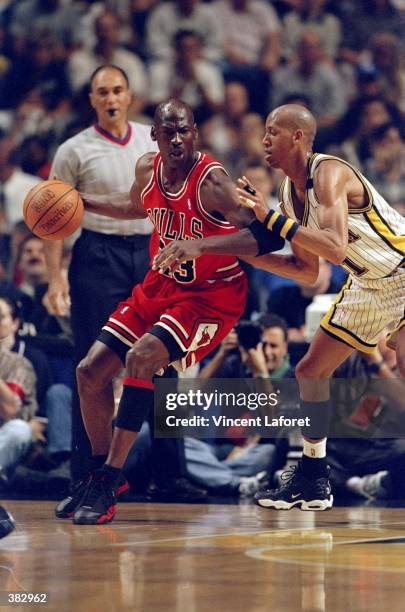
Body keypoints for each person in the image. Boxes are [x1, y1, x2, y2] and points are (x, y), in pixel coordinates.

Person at [156, 103, 405, 511]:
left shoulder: (330, 172)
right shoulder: (290, 194)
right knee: (310, 370)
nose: (265, 139)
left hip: (401, 267)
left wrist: (269, 218)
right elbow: (307, 272)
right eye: (265, 131)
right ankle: (313, 476)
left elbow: (336, 246)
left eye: (274, 132)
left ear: (298, 138)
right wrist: (245, 253)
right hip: (368, 284)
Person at [57, 97, 284, 525]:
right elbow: (134, 207)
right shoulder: (147, 169)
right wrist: (81, 201)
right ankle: (101, 475)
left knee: (141, 359)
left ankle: (108, 479)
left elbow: (267, 239)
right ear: (155, 137)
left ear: (195, 133)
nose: (177, 138)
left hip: (211, 297)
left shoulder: (213, 182)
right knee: (90, 371)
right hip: (162, 286)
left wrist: (201, 244)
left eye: (184, 130)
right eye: (169, 132)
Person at [43, 65, 155, 483]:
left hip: (150, 251)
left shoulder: (152, 139)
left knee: (165, 361)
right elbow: (49, 220)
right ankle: (88, 474)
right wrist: (55, 279)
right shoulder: (73, 149)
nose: (110, 99)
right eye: (102, 92)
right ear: (92, 99)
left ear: (130, 96)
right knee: (91, 365)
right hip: (96, 254)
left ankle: (169, 472)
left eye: (118, 91)